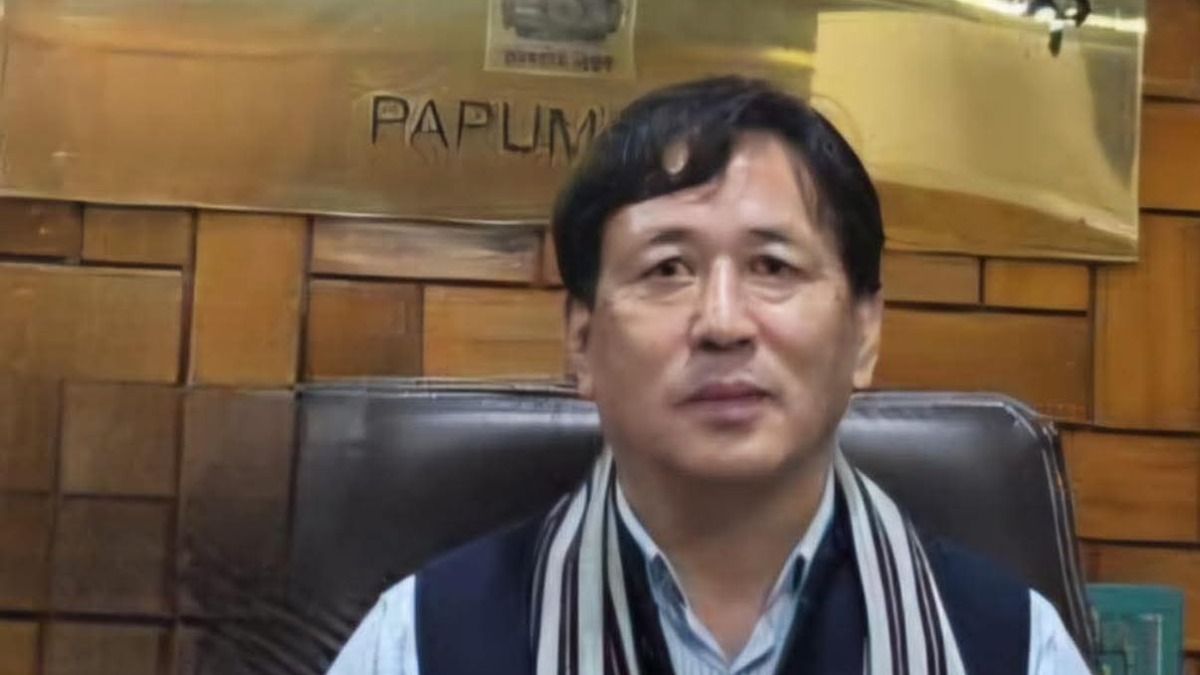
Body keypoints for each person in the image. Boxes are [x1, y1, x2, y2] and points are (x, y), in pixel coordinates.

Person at [326, 76, 1091, 675]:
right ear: (583, 342)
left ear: (864, 334)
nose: (722, 321)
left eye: (773, 266)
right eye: (667, 269)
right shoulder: (417, 643)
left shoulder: (1015, 648)